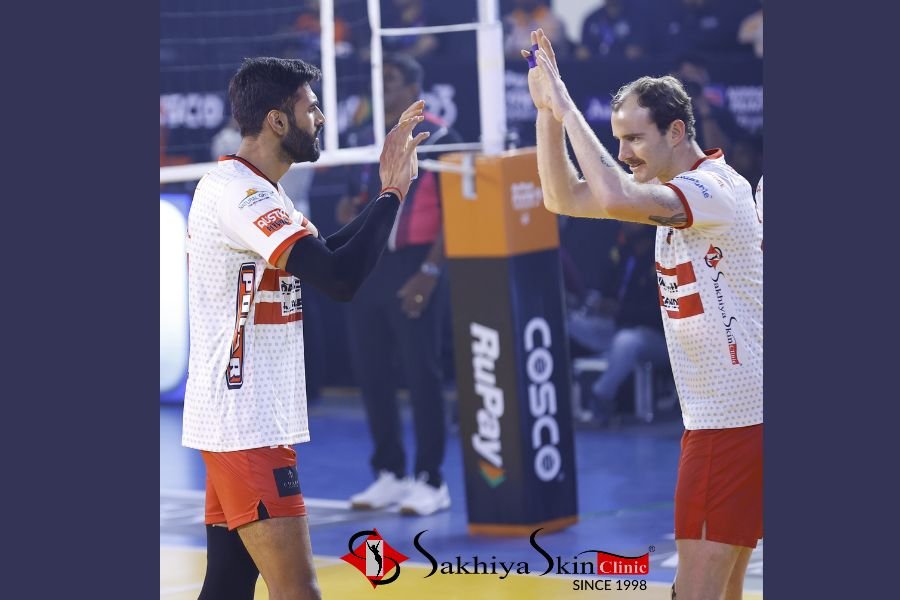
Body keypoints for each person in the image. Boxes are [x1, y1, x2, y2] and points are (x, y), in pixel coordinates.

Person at [523, 30, 762, 600]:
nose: (625, 152)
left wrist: (567, 105)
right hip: (732, 419)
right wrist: (547, 114)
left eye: (634, 138)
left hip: (731, 423)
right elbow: (562, 197)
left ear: (677, 131)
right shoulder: (673, 190)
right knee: (724, 589)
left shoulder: (710, 189)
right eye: (618, 139)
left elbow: (611, 196)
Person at [182, 56, 430, 600]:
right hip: (246, 425)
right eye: (310, 108)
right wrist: (391, 193)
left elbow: (326, 254)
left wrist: (390, 191)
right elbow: (340, 279)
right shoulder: (244, 197)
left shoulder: (254, 189)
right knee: (298, 590)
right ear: (277, 120)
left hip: (234, 420)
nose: (320, 118)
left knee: (227, 584)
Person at [339, 54, 461, 517]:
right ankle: (390, 471)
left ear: (413, 88)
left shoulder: (442, 137)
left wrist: (430, 271)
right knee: (372, 371)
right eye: (379, 80)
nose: (383, 88)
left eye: (390, 80)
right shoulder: (365, 138)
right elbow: (355, 200)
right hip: (372, 264)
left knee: (420, 372)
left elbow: (455, 213)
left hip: (417, 261)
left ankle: (431, 479)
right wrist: (349, 213)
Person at [568, 222, 670, 426]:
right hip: (615, 327)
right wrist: (600, 303)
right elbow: (607, 291)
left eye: (633, 221)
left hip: (656, 337)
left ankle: (601, 396)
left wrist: (619, 310)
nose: (626, 224)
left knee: (626, 341)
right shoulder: (623, 253)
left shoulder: (663, 258)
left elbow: (658, 312)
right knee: (569, 322)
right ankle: (563, 393)